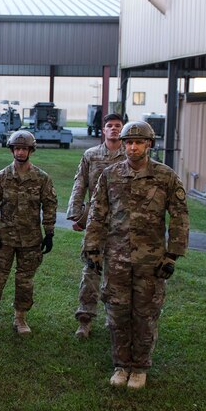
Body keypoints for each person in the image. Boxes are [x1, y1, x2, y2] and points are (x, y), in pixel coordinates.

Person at [81, 120, 188, 390]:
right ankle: (121, 364)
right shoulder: (110, 174)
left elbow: (179, 216)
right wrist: (92, 248)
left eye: (138, 142)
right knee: (117, 312)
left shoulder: (165, 176)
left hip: (150, 260)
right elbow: (97, 213)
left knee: (145, 313)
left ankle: (140, 367)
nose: (132, 147)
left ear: (149, 144)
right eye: (129, 142)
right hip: (116, 257)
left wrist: (172, 254)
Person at [0, 130, 57, 335]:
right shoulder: (2, 177)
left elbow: (49, 205)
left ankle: (20, 318)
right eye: (17, 148)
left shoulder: (41, 178)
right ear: (12, 150)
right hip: (5, 238)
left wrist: (49, 233)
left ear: (31, 150)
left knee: (25, 281)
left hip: (31, 239)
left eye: (25, 149)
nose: (21, 152)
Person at [66, 112, 125, 339]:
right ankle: (85, 320)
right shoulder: (91, 155)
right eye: (109, 126)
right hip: (95, 222)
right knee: (91, 270)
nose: (113, 129)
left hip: (121, 223)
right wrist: (76, 215)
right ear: (103, 130)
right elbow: (80, 183)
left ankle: (115, 320)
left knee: (118, 273)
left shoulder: (128, 157)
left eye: (118, 126)